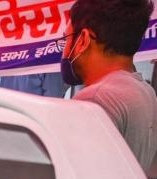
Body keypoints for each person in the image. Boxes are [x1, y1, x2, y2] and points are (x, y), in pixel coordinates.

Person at [62, 0, 157, 168]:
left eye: (66, 39)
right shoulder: (145, 91)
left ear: (83, 39)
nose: (64, 50)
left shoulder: (95, 99)